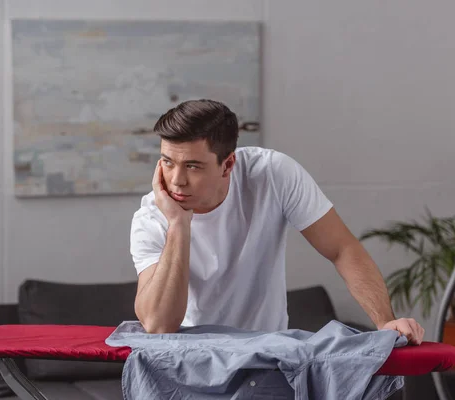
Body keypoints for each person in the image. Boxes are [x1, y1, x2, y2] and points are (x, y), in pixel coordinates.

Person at [130, 98, 425, 345]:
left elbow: (341, 249)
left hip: (268, 354)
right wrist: (179, 224)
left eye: (192, 166)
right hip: (188, 358)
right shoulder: (151, 217)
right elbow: (158, 325)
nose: (177, 180)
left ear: (228, 164)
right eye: (168, 162)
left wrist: (386, 322)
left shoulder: (272, 174)